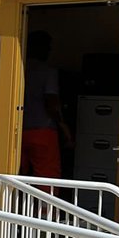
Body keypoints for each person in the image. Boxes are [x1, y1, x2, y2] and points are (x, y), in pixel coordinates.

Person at [21, 30, 71, 182]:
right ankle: (45, 207)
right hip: (43, 132)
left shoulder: (18, 68)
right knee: (47, 176)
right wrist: (64, 128)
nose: (49, 51)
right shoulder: (48, 72)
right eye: (48, 47)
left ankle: (13, 205)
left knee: (16, 174)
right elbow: (51, 102)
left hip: (17, 132)